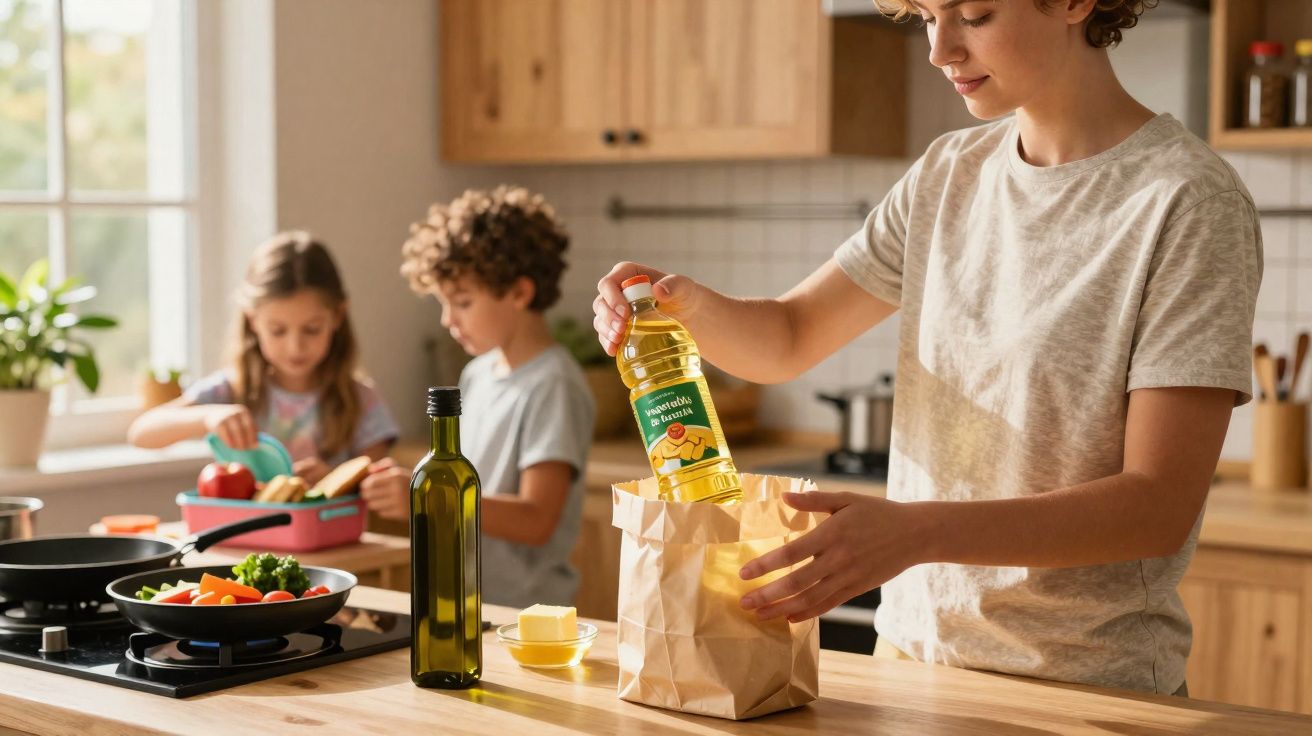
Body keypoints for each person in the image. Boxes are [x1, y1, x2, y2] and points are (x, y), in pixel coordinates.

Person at [592, 0, 1261, 697]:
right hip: (912, 667)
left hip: (1085, 688)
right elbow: (788, 338)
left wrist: (915, 532)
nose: (941, 49)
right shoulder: (949, 173)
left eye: (973, 14)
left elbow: (1157, 506)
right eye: (924, 15)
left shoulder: (1187, 200)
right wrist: (687, 305)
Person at [365, 185, 595, 608]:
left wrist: (430, 497)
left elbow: (537, 519)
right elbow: (457, 474)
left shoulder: (553, 384)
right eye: (443, 304)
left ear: (520, 293)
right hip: (469, 599)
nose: (448, 320)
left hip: (525, 612)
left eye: (463, 302)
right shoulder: (477, 375)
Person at [129, 231, 400, 489]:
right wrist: (207, 416)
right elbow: (141, 434)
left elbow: (374, 486)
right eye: (278, 331)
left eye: (312, 329)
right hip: (243, 538)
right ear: (252, 320)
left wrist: (334, 480)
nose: (295, 346)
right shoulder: (230, 390)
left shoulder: (360, 400)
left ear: (338, 316)